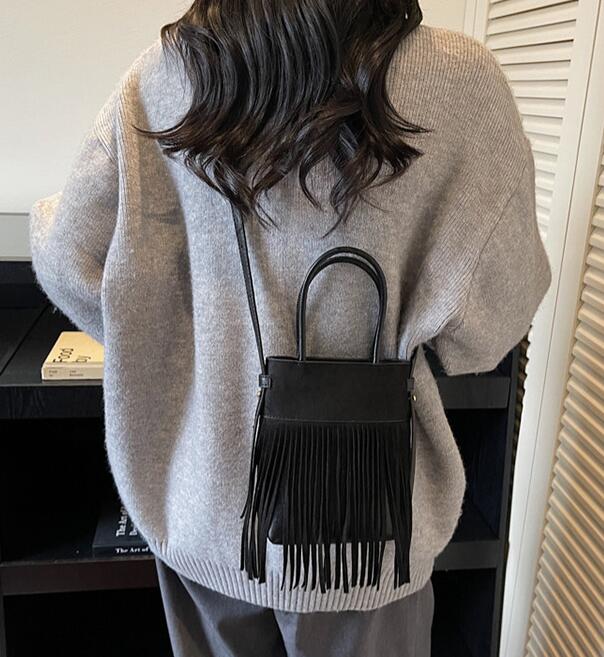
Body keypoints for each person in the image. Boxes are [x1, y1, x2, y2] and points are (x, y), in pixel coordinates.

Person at [28, 1, 552, 655]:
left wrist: (180, 343)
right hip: (367, 532)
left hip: (205, 513)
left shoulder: (163, 77)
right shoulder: (459, 80)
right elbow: (495, 318)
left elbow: (70, 260)